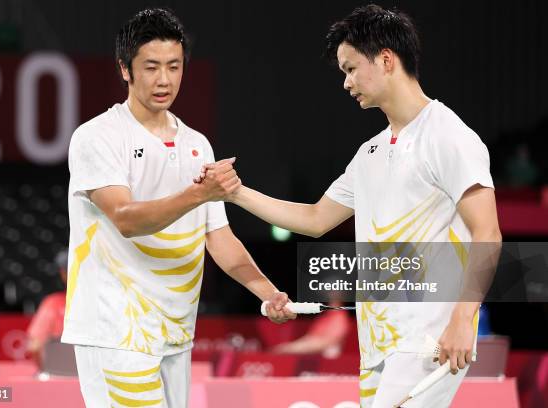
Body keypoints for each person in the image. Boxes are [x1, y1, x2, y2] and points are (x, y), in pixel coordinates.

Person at [200, 5, 501, 407]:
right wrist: (236, 193)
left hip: (428, 340)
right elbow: (314, 219)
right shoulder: (370, 153)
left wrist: (464, 321)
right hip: (376, 345)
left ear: (387, 60)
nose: (346, 83)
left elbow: (488, 233)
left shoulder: (448, 136)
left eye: (351, 69)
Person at [60, 8, 295, 408]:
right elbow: (125, 219)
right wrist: (200, 193)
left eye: (174, 66)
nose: (164, 79)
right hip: (117, 330)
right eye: (151, 67)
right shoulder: (97, 137)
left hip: (175, 332)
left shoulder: (197, 144)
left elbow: (218, 238)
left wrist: (268, 293)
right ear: (125, 69)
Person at [26, 250, 67, 369]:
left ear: (63, 273)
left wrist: (46, 372)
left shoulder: (52, 304)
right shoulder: (105, 302)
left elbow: (35, 347)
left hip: (60, 375)